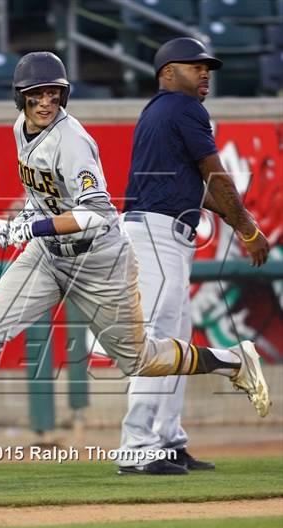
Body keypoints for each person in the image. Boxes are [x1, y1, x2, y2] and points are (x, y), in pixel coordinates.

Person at [0, 51, 270, 472]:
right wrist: (24, 222)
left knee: (141, 360)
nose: (45, 102)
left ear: (64, 95)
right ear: (20, 98)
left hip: (99, 260)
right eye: (35, 94)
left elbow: (98, 215)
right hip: (49, 255)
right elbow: (47, 200)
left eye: (53, 93)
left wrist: (30, 229)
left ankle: (235, 360)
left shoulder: (72, 142)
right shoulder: (20, 129)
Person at [117, 37, 271, 476]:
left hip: (161, 232)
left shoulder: (157, 112)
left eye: (208, 67)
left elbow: (199, 189)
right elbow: (216, 175)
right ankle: (137, 447)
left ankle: (167, 442)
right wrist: (247, 228)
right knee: (157, 345)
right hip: (156, 236)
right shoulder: (184, 109)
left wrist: (238, 220)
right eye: (194, 66)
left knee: (177, 344)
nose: (205, 73)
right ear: (168, 72)